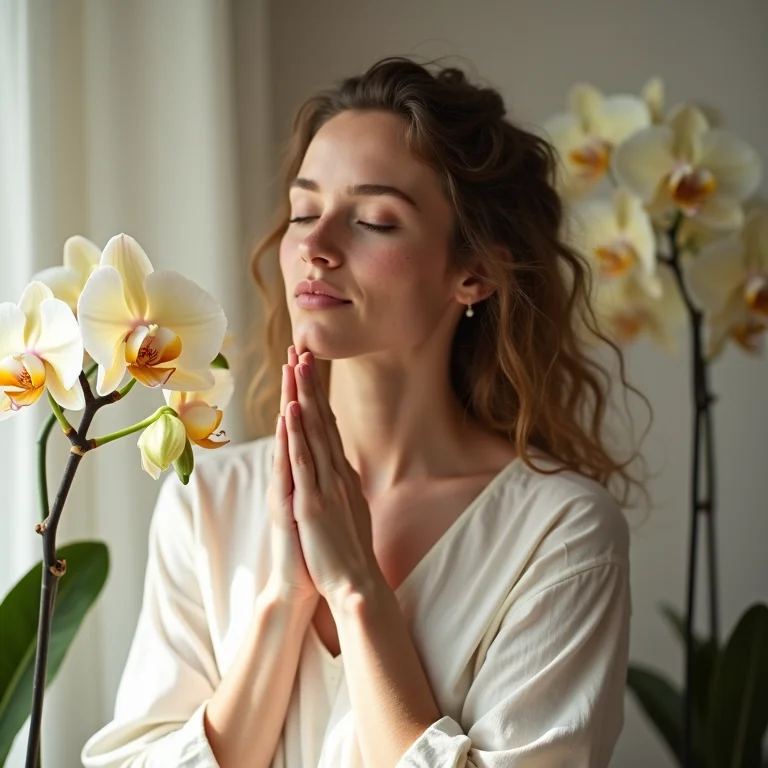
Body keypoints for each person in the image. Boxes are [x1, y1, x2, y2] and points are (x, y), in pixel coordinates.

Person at [82, 56, 644, 768]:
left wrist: (355, 588)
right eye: (304, 212)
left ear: (474, 273)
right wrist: (284, 600)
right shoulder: (207, 501)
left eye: (374, 221)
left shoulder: (559, 535)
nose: (314, 248)